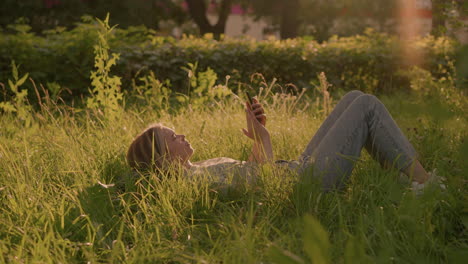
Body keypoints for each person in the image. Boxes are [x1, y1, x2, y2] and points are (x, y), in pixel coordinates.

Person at [126, 90, 444, 193]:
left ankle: (410, 181)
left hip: (297, 170)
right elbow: (265, 183)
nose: (180, 134)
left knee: (354, 98)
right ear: (163, 159)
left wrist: (257, 133)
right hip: (305, 182)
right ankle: (426, 184)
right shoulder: (195, 182)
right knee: (366, 106)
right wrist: (264, 138)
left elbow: (250, 171)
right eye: (172, 137)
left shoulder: (202, 167)